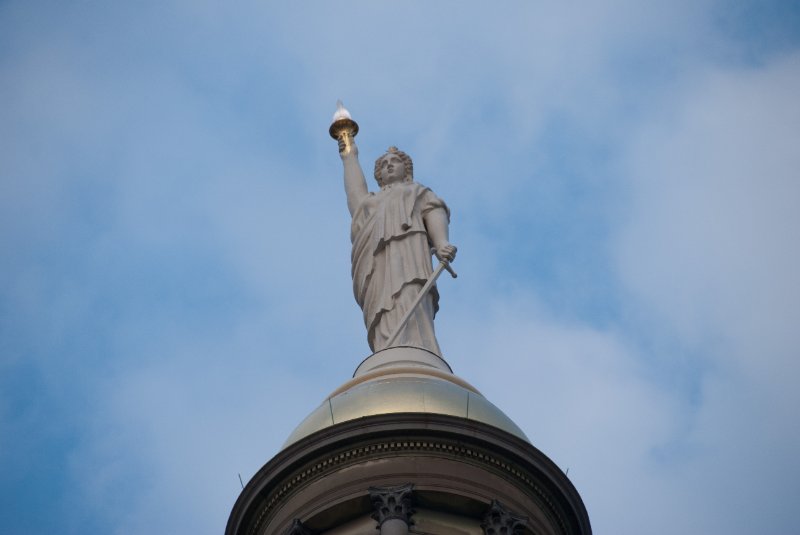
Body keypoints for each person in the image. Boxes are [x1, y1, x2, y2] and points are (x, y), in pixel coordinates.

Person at [339, 139, 456, 356]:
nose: (389, 165)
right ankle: (387, 351)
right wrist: (349, 157)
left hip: (410, 256)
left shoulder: (416, 191)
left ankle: (419, 350)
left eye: (395, 161)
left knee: (410, 296)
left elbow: (434, 211)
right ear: (379, 176)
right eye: (384, 164)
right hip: (377, 266)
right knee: (382, 311)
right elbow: (355, 195)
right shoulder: (370, 203)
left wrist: (441, 243)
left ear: (406, 170)